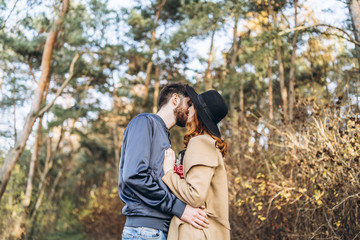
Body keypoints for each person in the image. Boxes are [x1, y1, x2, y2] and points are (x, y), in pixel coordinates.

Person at [118, 83, 209, 240]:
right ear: (175, 99)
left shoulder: (164, 135)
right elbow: (134, 176)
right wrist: (180, 208)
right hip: (144, 230)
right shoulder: (145, 122)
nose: (191, 110)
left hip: (157, 230)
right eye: (189, 103)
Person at [162, 84, 230, 239]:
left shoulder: (200, 142)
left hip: (194, 232)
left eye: (192, 105)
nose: (187, 109)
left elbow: (195, 196)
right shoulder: (208, 144)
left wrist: (169, 172)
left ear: (197, 113)